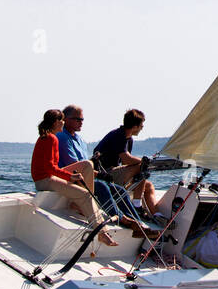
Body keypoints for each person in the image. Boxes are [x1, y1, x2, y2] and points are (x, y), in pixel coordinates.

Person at [31, 109, 117, 247]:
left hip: (49, 176)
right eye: (61, 120)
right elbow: (49, 169)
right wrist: (70, 176)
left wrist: (69, 176)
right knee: (85, 195)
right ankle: (101, 232)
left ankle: (79, 204)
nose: (63, 123)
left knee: (88, 164)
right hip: (44, 181)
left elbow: (52, 168)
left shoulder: (50, 137)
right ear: (55, 122)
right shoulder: (50, 138)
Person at [58, 105, 146, 232]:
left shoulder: (80, 140)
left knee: (120, 191)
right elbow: (76, 167)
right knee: (102, 187)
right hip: (73, 179)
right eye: (78, 119)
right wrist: (99, 175)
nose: (81, 122)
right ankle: (123, 219)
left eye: (82, 120)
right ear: (65, 119)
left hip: (87, 177)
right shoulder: (62, 138)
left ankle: (138, 224)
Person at [94, 108, 158, 216]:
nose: (142, 127)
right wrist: (145, 161)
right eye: (141, 125)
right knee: (142, 165)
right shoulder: (119, 135)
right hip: (105, 175)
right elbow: (126, 159)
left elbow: (126, 164)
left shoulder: (129, 139)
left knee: (149, 186)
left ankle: (157, 215)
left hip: (115, 173)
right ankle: (137, 205)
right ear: (134, 127)